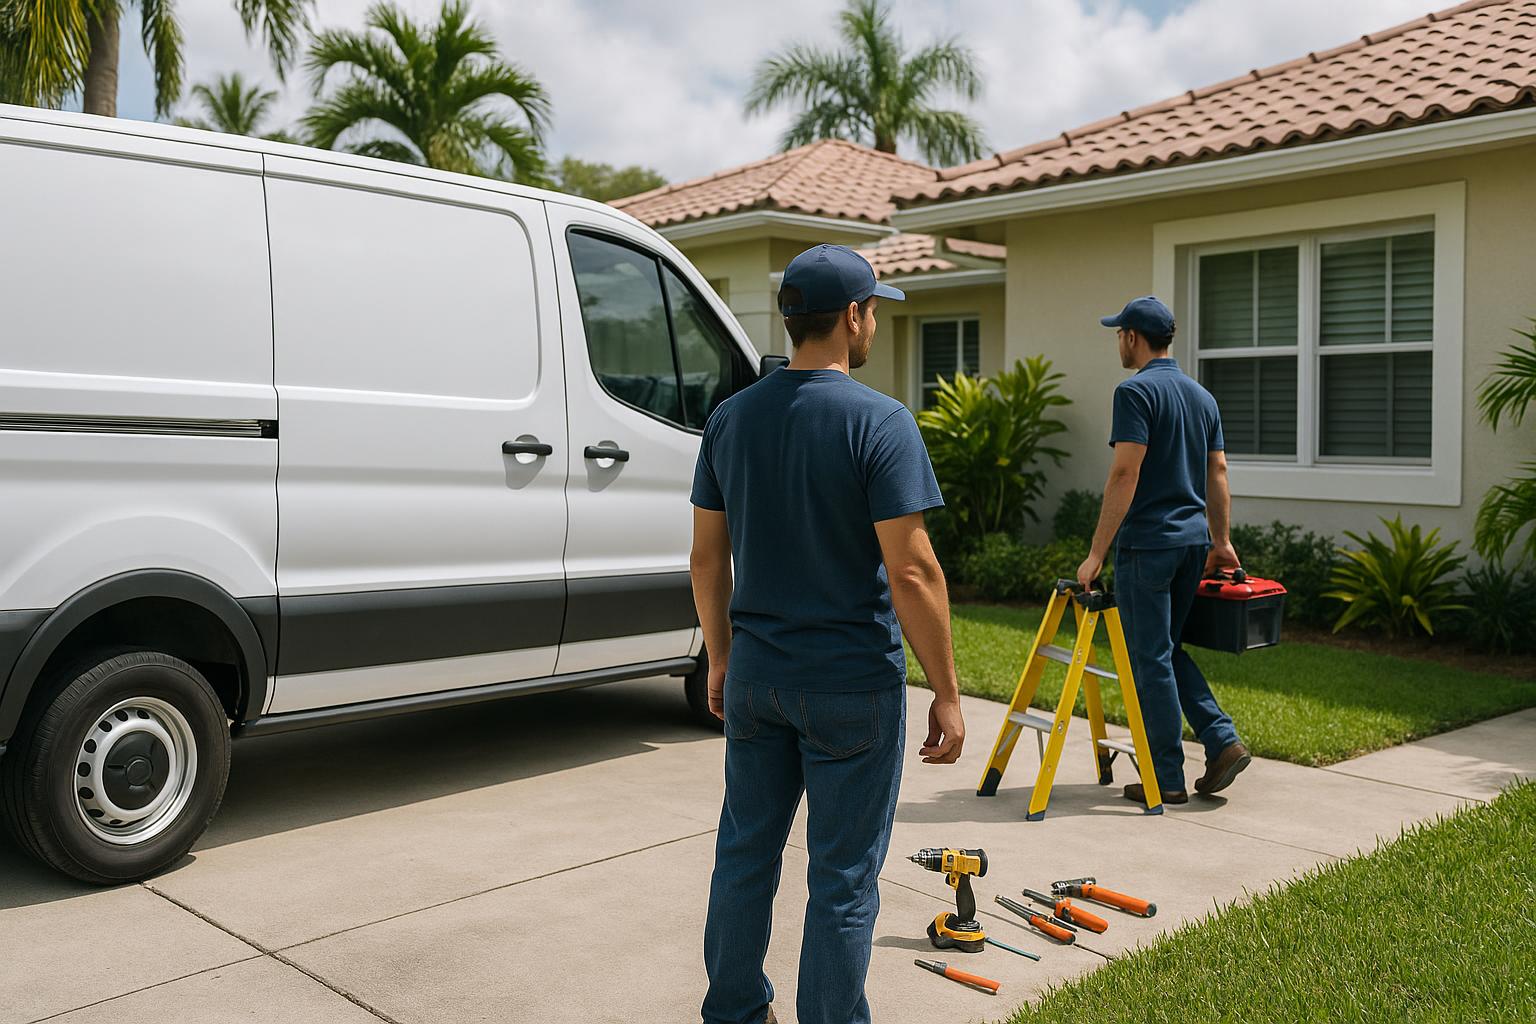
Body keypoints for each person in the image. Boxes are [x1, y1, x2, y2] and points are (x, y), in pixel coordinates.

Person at [690, 243, 966, 1024]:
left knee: (744, 855)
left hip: (757, 681)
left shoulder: (731, 418)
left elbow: (706, 557)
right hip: (851, 688)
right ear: (851, 317)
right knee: (843, 878)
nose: (874, 320)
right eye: (874, 308)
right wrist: (947, 691)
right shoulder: (881, 422)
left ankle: (735, 1012)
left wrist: (721, 658)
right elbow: (912, 572)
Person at [1075, 295, 1250, 806]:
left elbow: (1125, 472)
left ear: (1132, 336)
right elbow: (1217, 473)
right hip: (1192, 544)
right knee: (1167, 651)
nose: (1118, 343)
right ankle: (1221, 740)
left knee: (1149, 657)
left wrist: (1095, 553)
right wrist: (1221, 542)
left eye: (1119, 334)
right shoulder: (1202, 397)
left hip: (1148, 546)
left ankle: (1165, 777)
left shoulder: (1135, 394)